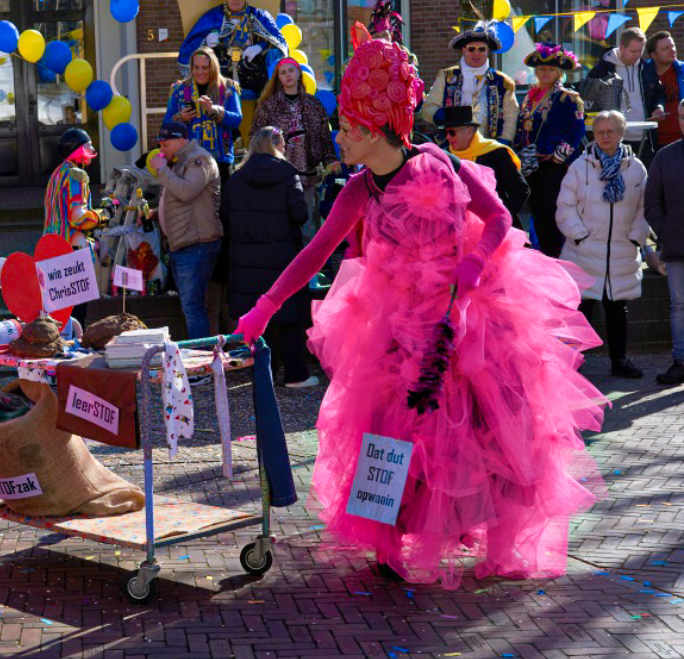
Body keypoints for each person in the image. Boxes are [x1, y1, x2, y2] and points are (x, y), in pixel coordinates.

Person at [235, 36, 606, 588]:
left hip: (467, 321)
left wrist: (477, 262)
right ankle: (388, 542)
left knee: (487, 433)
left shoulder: (438, 163)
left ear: (369, 129)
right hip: (397, 327)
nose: (337, 138)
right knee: (392, 432)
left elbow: (502, 218)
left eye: (344, 128)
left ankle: (486, 535)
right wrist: (264, 307)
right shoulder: (358, 189)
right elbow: (313, 252)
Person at [557, 111, 650, 379]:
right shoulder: (580, 167)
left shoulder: (636, 168)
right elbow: (565, 205)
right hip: (584, 251)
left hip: (621, 250)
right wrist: (579, 236)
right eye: (600, 132)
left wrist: (636, 236)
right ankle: (572, 361)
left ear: (621, 133)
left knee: (617, 309)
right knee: (580, 309)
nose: (605, 137)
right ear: (593, 135)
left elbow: (645, 206)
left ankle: (619, 361)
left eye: (611, 131)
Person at [221, 126, 314, 387]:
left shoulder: (236, 179)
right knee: (288, 316)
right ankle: (296, 374)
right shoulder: (288, 174)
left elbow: (225, 217)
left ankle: (265, 375)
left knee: (259, 319)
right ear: (277, 146)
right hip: (282, 256)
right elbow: (300, 215)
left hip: (246, 259)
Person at [148, 122, 221, 340]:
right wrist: (155, 213)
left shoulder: (200, 159)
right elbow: (178, 198)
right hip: (184, 243)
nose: (162, 150)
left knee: (193, 308)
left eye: (165, 144)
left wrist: (161, 169)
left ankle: (200, 364)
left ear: (181, 139)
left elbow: (187, 190)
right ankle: (201, 361)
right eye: (160, 145)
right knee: (191, 307)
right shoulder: (180, 161)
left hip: (196, 243)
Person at [515, 43, 586, 258]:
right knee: (537, 212)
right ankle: (543, 256)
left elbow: (576, 131)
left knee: (552, 213)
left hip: (553, 165)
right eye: (542, 69)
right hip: (531, 166)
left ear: (559, 73)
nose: (546, 73)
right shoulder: (529, 98)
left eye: (551, 69)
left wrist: (559, 156)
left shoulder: (568, 98)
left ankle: (556, 258)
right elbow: (522, 128)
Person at [251, 56, 338, 230]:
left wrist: (330, 160)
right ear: (278, 78)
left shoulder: (314, 104)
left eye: (291, 70)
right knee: (281, 223)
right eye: (283, 73)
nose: (288, 75)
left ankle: (306, 257)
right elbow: (256, 136)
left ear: (299, 73)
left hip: (307, 171)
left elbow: (324, 136)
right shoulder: (268, 105)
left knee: (306, 223)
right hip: (277, 173)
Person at [422, 22, 519, 146]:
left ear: (488, 51)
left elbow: (510, 117)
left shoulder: (503, 82)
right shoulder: (446, 77)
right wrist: (445, 115)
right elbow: (428, 109)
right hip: (452, 147)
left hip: (488, 149)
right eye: (471, 49)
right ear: (464, 50)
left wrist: (502, 144)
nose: (476, 53)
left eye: (481, 49)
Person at [176, 0, 289, 100]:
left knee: (266, 97)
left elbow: (279, 44)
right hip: (221, 77)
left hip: (253, 76)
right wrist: (206, 42)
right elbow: (190, 48)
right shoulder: (212, 17)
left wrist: (260, 47)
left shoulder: (259, 16)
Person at [645, 102, 684, 385]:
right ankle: (681, 361)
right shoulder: (665, 156)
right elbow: (652, 203)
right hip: (677, 245)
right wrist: (666, 232)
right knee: (679, 306)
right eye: (682, 117)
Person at [440, 105, 529, 228]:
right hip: (459, 232)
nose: (448, 137)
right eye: (446, 132)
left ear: (469, 131)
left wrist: (499, 217)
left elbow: (520, 190)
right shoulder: (444, 156)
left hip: (496, 229)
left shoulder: (495, 153)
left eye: (452, 132)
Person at [583, 27, 665, 156]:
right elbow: (588, 106)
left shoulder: (647, 68)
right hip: (613, 142)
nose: (638, 55)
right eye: (633, 51)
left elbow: (658, 93)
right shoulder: (600, 71)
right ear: (621, 47)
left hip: (646, 138)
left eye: (640, 51)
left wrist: (658, 107)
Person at [165, 47, 242, 183]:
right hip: (188, 160)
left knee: (222, 203)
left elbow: (237, 120)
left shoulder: (228, 88)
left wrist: (214, 111)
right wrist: (180, 118)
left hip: (221, 160)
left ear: (213, 67)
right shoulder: (179, 90)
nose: (200, 72)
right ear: (191, 68)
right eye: (196, 67)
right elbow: (166, 127)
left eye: (205, 68)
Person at [44, 128, 100, 248]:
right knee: (102, 247)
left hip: (51, 241)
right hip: (70, 243)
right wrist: (101, 217)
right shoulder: (77, 175)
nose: (92, 149)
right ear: (79, 150)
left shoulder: (58, 171)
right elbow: (77, 218)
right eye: (89, 145)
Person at [647, 31, 683, 150]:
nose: (672, 50)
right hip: (653, 142)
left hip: (680, 139)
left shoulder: (682, 71)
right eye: (665, 48)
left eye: (672, 46)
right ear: (653, 55)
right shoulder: (643, 74)